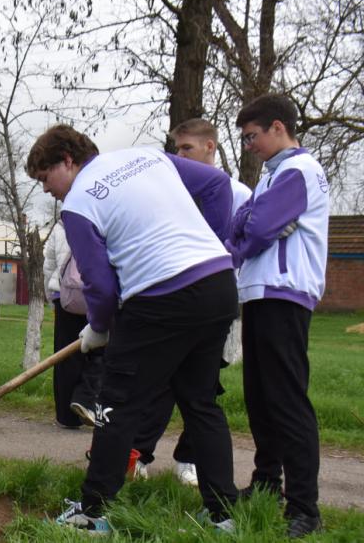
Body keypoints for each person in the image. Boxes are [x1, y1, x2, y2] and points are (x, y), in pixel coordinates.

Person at [28, 124, 239, 535]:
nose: (46, 190)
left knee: (115, 403)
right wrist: (207, 246)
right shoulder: (147, 156)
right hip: (217, 285)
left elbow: (100, 287)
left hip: (161, 298)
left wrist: (98, 328)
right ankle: (224, 514)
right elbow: (217, 185)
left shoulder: (78, 204)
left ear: (67, 161)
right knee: (200, 402)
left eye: (44, 177)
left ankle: (91, 513)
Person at [131, 118, 254, 486]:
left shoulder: (239, 193)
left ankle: (189, 459)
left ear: (210, 147)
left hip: (215, 303)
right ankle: (139, 454)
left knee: (204, 387)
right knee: (159, 380)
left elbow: (244, 247)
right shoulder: (172, 191)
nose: (180, 155)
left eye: (187, 148)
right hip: (173, 300)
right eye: (177, 149)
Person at [227, 94, 328, 538]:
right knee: (261, 398)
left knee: (287, 402)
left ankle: (305, 509)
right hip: (260, 291)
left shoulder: (298, 171)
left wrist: (251, 231)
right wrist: (251, 223)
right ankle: (267, 483)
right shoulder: (272, 176)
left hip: (285, 293)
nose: (247, 145)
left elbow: (258, 230)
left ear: (277, 128)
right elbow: (243, 222)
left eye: (251, 136)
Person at [42, 221, 102, 429]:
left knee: (65, 355)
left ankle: (66, 417)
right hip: (96, 296)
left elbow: (48, 265)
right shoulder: (100, 222)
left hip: (65, 297)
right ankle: (85, 399)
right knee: (101, 352)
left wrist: (52, 296)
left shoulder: (60, 227)